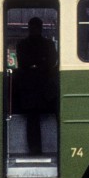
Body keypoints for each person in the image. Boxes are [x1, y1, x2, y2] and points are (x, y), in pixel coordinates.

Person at [14, 17, 58, 154]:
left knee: (32, 119)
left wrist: (33, 65)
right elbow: (52, 61)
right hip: (46, 85)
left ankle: (34, 149)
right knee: (53, 114)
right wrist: (41, 63)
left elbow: (23, 63)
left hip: (28, 86)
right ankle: (53, 147)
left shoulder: (22, 44)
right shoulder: (48, 44)